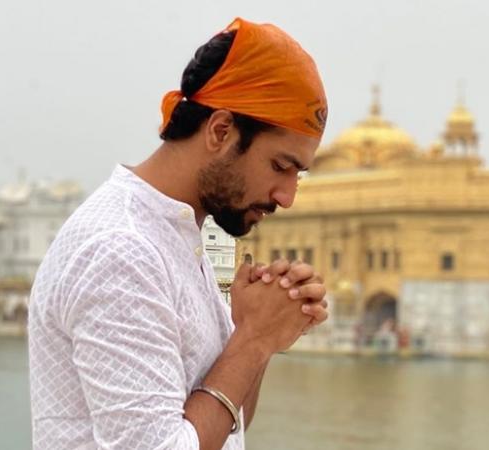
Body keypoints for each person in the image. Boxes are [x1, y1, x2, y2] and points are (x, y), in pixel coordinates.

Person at [28, 18, 329, 450]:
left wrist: (251, 334)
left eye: (297, 175)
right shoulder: (121, 249)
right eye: (280, 166)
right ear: (220, 131)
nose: (287, 196)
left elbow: (227, 426)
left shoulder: (178, 236)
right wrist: (254, 338)